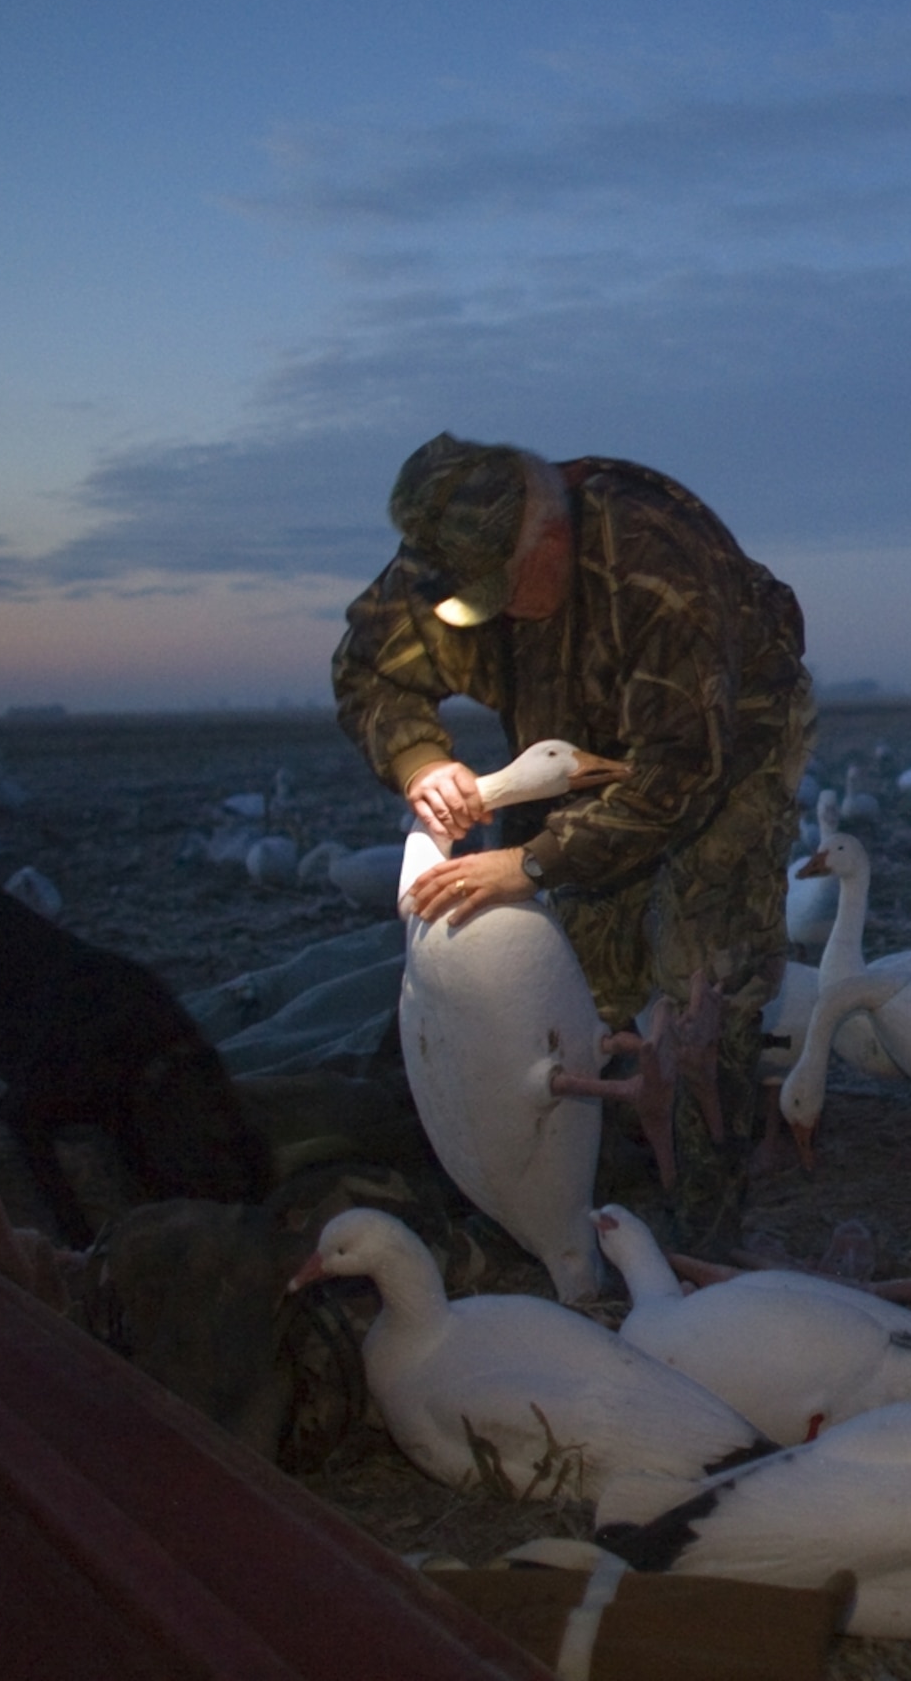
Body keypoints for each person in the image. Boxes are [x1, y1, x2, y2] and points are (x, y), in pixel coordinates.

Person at [333, 433, 812, 1256]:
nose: (491, 614)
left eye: (502, 593)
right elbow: (369, 669)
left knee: (705, 971)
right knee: (559, 962)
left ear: (549, 540)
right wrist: (422, 762)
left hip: (724, 745)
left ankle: (704, 1236)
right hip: (571, 735)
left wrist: (529, 862)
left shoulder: (657, 567)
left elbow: (679, 771)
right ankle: (538, 1185)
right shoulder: (452, 554)